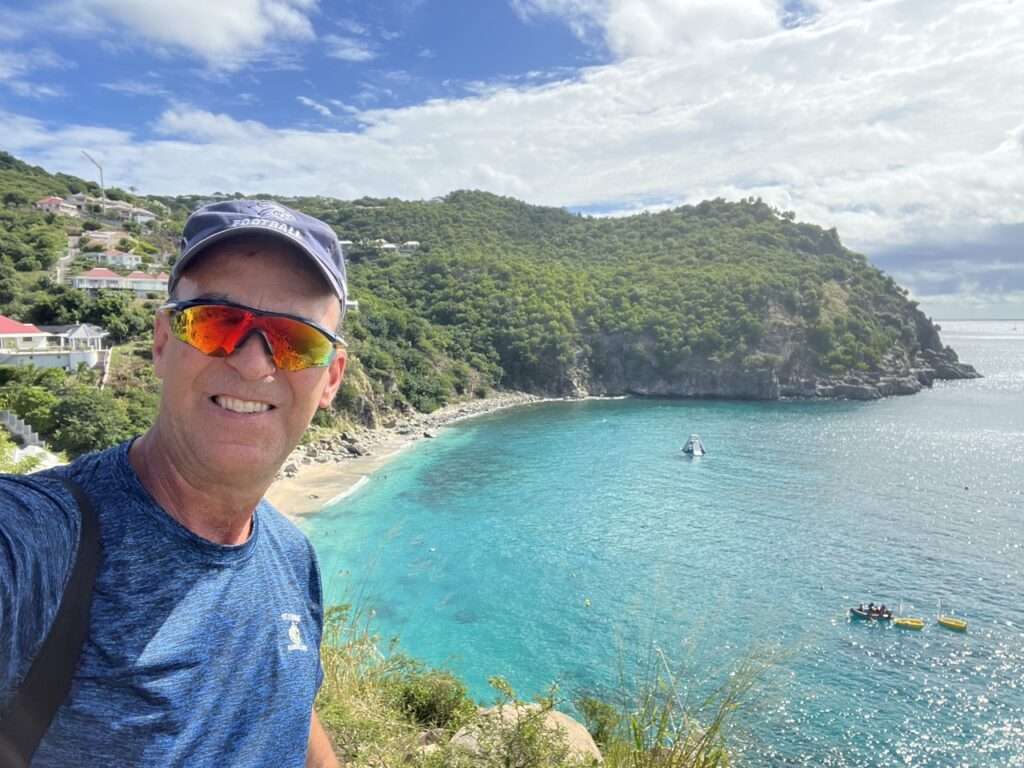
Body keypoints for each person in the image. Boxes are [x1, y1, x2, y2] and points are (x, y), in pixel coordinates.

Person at [0, 200, 351, 767]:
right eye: (217, 323)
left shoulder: (291, 557)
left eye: (295, 340)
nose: (254, 364)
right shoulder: (43, 542)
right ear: (164, 341)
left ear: (330, 377)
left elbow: (288, 706)